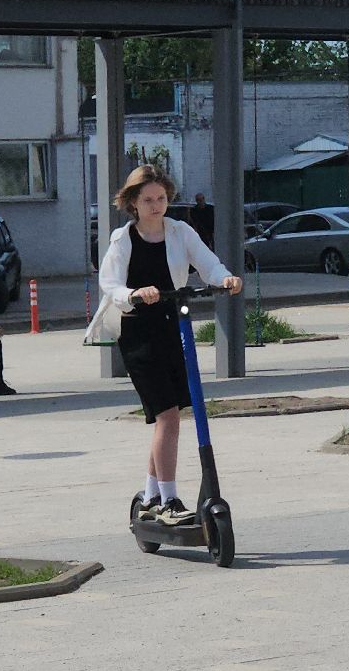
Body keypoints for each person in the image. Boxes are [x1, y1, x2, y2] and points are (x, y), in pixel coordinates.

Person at [85, 165, 242, 526]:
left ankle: (151, 494)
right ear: (133, 203)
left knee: (167, 419)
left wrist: (225, 278)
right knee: (168, 417)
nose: (157, 206)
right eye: (148, 200)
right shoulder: (123, 239)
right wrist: (134, 293)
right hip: (137, 331)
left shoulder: (180, 231)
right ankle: (168, 501)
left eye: (161, 198)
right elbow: (109, 283)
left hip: (173, 326)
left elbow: (208, 263)